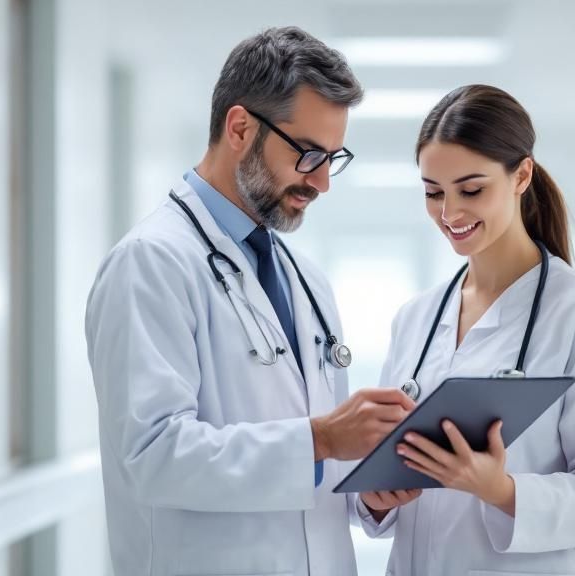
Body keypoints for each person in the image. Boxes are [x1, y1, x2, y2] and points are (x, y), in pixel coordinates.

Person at [85, 27, 415, 576]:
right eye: (309, 154)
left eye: (334, 158)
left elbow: (311, 467)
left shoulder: (304, 278)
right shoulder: (150, 263)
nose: (323, 183)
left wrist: (368, 495)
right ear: (239, 128)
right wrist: (321, 437)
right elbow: (151, 456)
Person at [356, 84, 575, 575]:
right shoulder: (416, 318)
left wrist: (502, 491)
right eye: (433, 193)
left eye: (471, 190)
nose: (449, 214)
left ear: (521, 175)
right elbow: (383, 480)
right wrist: (377, 500)